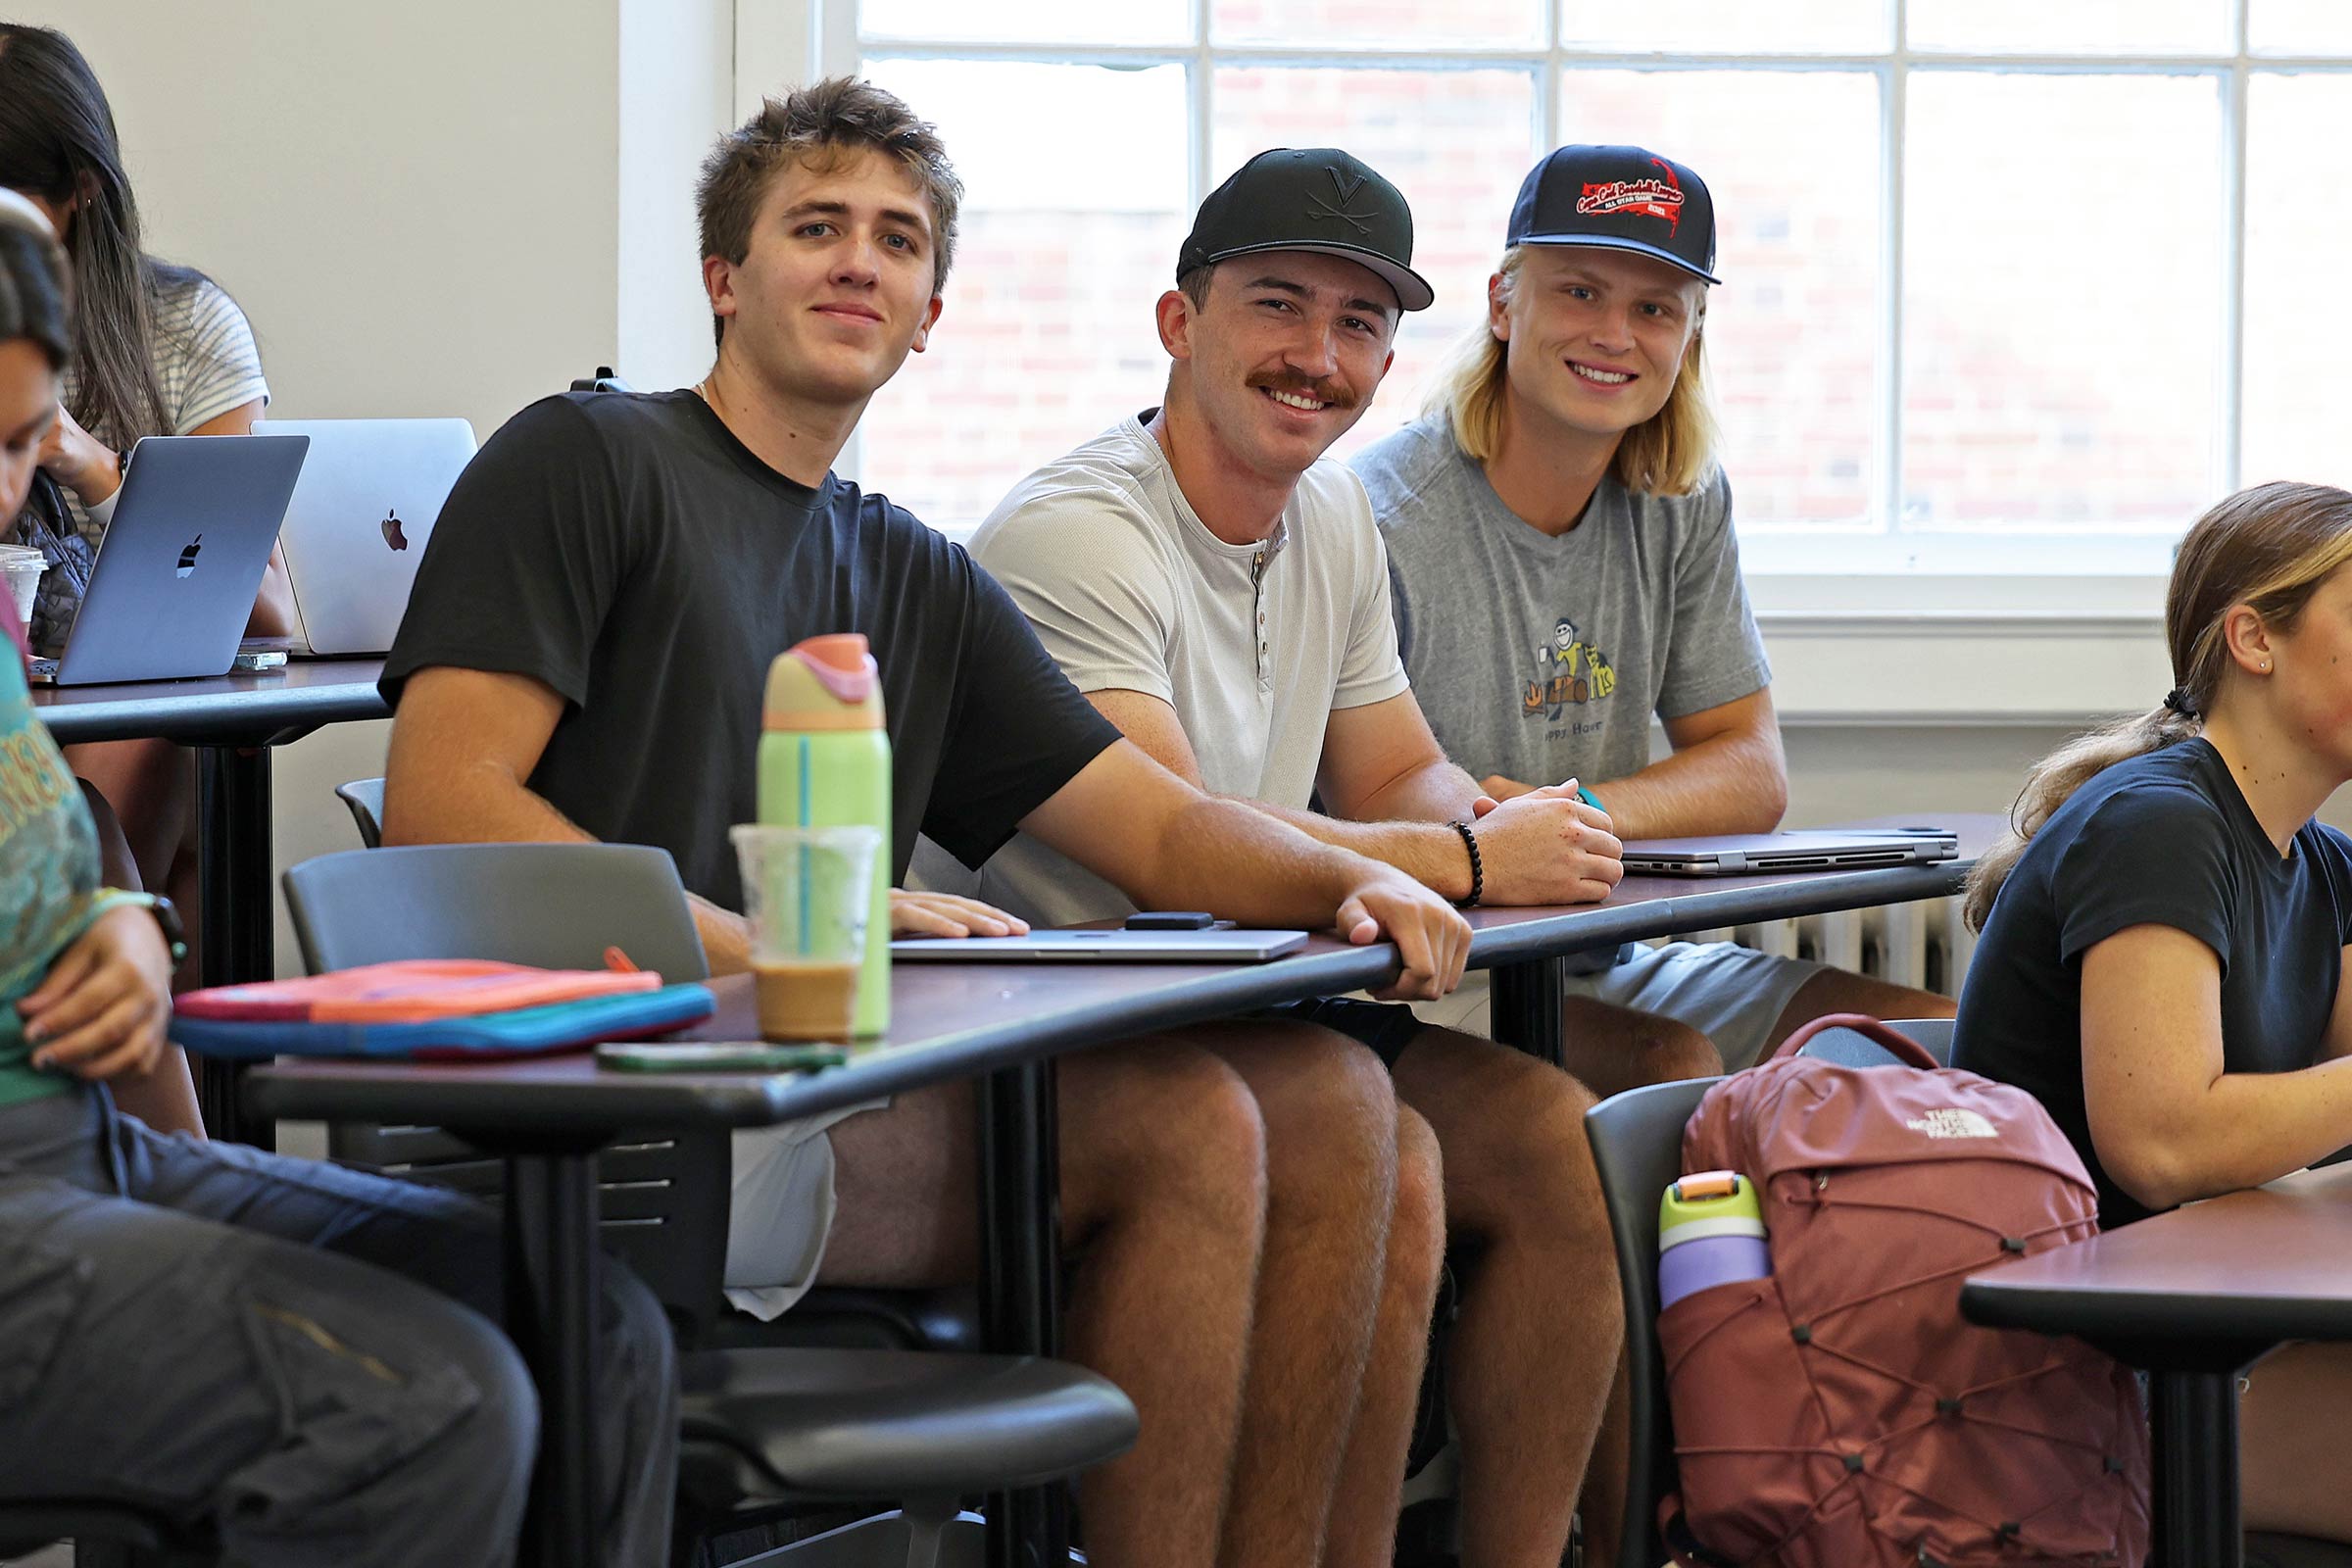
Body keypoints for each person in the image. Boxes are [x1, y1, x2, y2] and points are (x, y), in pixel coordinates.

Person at [377, 78, 1469, 1568]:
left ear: (931, 310)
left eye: (896, 242)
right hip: (615, 1114)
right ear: (724, 277)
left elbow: (1163, 830)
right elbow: (446, 805)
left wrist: (1357, 877)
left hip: (800, 1098)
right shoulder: (587, 459)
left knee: (1343, 1100)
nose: (857, 264)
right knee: (1200, 1127)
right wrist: (766, 941)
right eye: (815, 228)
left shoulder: (913, 569)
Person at [935, 147, 1636, 1568]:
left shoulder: (1328, 518)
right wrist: (1466, 857)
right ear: (1179, 322)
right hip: (1065, 1019)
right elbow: (1185, 838)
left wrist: (1499, 823)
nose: (1318, 357)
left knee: (1558, 1138)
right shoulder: (1074, 534)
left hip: (1248, 995)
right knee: (1351, 1124)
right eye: (1277, 307)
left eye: (1361, 325)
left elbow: (1394, 769)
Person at [0, 188, 677, 1568]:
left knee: (595, 1332)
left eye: (16, 444)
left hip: (78, 1152)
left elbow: (51, 866)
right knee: (426, 1406)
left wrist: (122, 933)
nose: (0, 487)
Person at [1350, 144, 1952, 1089]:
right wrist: (1515, 846)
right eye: (1580, 292)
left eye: (1654, 309)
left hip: (1611, 952)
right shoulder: (1375, 520)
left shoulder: (1683, 495)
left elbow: (1751, 771)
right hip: (1425, 968)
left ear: (1691, 335)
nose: (1615, 335)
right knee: (1671, 1065)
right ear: (1505, 305)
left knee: (1932, 1035)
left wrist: (1575, 820)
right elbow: (1360, 801)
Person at [1950, 479, 2352, 1544]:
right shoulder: (2157, 827)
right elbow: (2165, 1143)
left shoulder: (2321, 863)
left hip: (2210, 1335)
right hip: (2086, 1392)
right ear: (2254, 640)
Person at [0, 23, 296, 996]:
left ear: (79, 188)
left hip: (121, 733)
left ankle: (76, 978)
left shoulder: (180, 327)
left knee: (156, 767)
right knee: (175, 871)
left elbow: (266, 615)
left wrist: (87, 465)